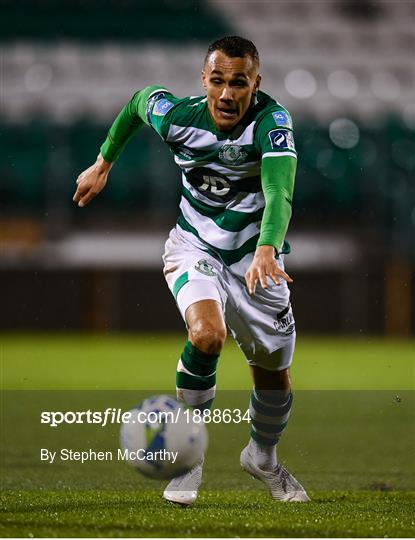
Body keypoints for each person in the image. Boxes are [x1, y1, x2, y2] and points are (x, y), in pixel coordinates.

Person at [73, 36, 309, 504]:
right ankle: (189, 455)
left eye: (238, 83)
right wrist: (103, 162)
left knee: (274, 374)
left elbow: (279, 191)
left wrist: (266, 248)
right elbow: (141, 101)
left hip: (256, 261)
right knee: (207, 335)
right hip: (194, 246)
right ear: (203, 81)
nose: (226, 94)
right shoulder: (179, 117)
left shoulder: (272, 122)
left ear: (255, 83)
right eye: (217, 81)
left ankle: (262, 458)